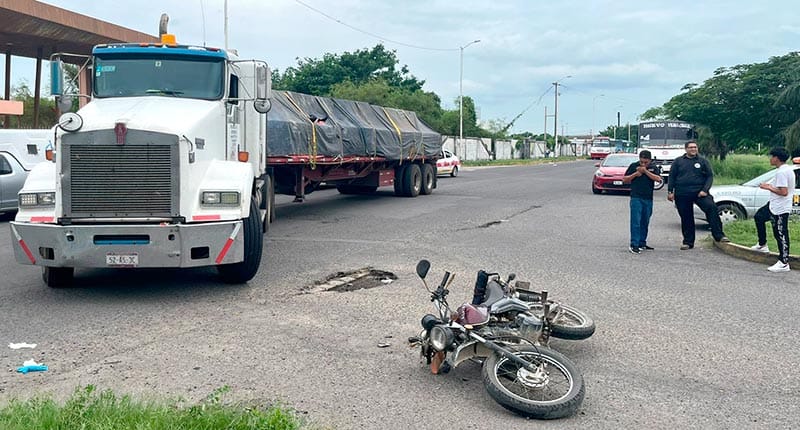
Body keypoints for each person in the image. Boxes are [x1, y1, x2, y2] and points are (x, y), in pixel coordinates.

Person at [667, 141, 729, 249]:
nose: (693, 149)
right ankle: (688, 242)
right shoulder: (678, 161)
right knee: (686, 217)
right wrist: (670, 191)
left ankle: (719, 235)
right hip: (682, 193)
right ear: (686, 149)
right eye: (691, 147)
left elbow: (709, 176)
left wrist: (705, 190)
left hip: (700, 192)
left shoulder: (703, 161)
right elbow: (672, 177)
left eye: (695, 147)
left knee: (712, 208)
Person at [750, 147, 795, 272]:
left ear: (777, 158)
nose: (770, 159)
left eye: (772, 157)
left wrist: (768, 187)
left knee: (780, 233)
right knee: (759, 217)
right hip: (773, 205)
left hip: (781, 207)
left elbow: (784, 192)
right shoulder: (785, 169)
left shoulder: (782, 172)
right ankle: (762, 244)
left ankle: (784, 262)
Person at [623, 150, 661, 254]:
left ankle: (642, 242)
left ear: (650, 160)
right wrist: (636, 174)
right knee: (636, 221)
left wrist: (645, 172)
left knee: (645, 221)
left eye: (646, 162)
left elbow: (658, 179)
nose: (643, 164)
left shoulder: (653, 167)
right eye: (641, 162)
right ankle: (634, 244)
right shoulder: (633, 166)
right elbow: (625, 179)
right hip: (636, 197)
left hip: (648, 198)